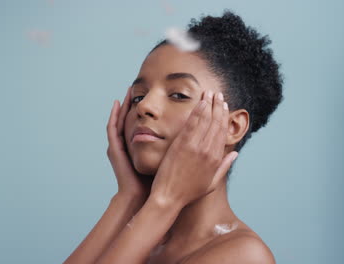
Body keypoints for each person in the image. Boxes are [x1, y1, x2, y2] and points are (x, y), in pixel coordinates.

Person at [64, 10, 283, 264]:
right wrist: (127, 197)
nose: (145, 106)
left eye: (178, 95)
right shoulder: (138, 240)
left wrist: (165, 200)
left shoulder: (243, 256)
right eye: (138, 96)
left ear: (232, 126)